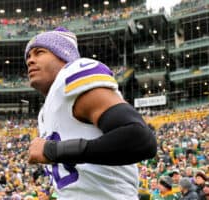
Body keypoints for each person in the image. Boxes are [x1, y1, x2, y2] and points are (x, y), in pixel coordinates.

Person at [25, 27, 157, 200]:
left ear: (64, 55)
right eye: (28, 56)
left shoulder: (72, 75)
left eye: (39, 52)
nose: (30, 61)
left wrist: (52, 149)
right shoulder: (45, 112)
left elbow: (139, 139)